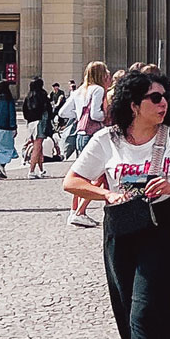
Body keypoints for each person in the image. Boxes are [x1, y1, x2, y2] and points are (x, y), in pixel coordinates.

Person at [63, 69, 170, 339]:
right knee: (128, 313)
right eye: (154, 98)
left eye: (165, 97)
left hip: (162, 232)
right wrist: (106, 193)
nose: (163, 103)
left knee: (146, 310)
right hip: (122, 231)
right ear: (134, 105)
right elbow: (72, 182)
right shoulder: (106, 139)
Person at [60, 61, 111, 226]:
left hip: (80, 133)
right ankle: (80, 211)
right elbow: (96, 115)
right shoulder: (98, 89)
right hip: (93, 133)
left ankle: (74, 210)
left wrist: (79, 114)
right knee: (98, 175)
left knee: (81, 174)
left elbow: (63, 112)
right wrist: (107, 115)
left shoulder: (80, 90)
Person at [22, 77, 53, 179]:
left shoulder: (28, 96)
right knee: (37, 146)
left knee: (39, 147)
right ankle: (31, 170)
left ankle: (41, 170)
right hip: (40, 121)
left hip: (31, 123)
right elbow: (48, 109)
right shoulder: (42, 95)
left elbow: (24, 112)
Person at [0, 80, 18, 179]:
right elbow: (12, 114)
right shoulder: (8, 100)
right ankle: (1, 166)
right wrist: (13, 127)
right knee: (6, 150)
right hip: (6, 128)